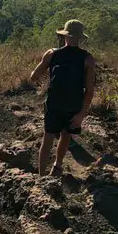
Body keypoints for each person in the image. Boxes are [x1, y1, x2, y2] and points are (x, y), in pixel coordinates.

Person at [30, 19, 96, 176]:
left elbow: (33, 77)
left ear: (64, 35)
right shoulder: (87, 59)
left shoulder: (52, 54)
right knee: (65, 135)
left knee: (48, 138)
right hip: (73, 105)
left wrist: (49, 77)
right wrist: (81, 115)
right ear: (80, 37)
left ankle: (41, 175)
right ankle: (57, 166)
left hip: (54, 103)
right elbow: (90, 91)